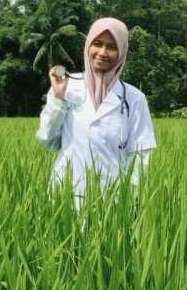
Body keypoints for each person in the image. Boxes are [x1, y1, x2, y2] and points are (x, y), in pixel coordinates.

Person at [36, 17, 157, 204]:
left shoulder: (134, 99)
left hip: (113, 200)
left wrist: (130, 202)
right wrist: (59, 99)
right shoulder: (67, 86)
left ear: (122, 52)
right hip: (65, 196)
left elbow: (141, 157)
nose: (102, 52)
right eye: (97, 44)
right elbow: (46, 140)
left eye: (112, 47)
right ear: (87, 46)